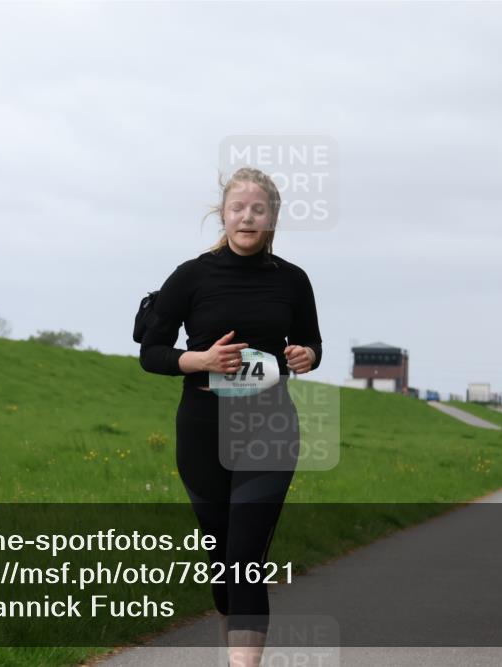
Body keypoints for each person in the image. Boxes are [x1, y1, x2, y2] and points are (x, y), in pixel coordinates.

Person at [139, 167, 323, 667]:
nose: (247, 216)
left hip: (269, 427)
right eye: (238, 207)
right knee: (222, 564)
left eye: (258, 209)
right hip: (202, 429)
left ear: (273, 219)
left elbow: (311, 342)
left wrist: (305, 355)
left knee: (245, 561)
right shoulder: (191, 276)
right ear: (222, 214)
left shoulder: (292, 280)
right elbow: (150, 352)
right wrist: (198, 360)